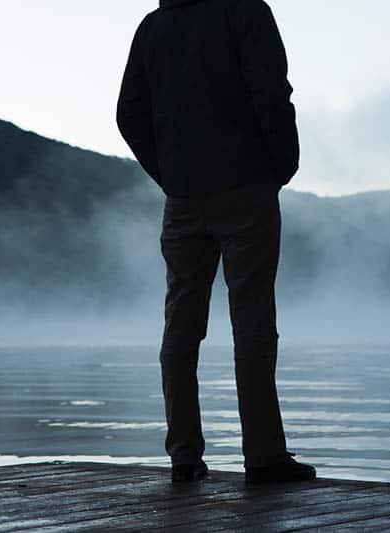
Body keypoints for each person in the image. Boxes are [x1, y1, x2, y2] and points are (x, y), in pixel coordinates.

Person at [116, 0, 316, 484]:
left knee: (180, 325)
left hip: (183, 197)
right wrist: (280, 166)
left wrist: (171, 174)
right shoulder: (244, 11)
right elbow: (271, 92)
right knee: (252, 320)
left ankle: (183, 454)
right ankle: (264, 456)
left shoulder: (153, 27)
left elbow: (129, 115)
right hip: (246, 187)